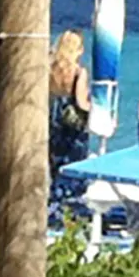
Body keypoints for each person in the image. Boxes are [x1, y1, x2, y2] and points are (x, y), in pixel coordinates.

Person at [48, 29, 93, 201]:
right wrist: (97, 110)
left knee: (56, 169)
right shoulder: (79, 72)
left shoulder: (51, 69)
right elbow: (81, 102)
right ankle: (70, 206)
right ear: (78, 49)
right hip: (73, 128)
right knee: (74, 170)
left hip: (54, 124)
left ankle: (56, 203)